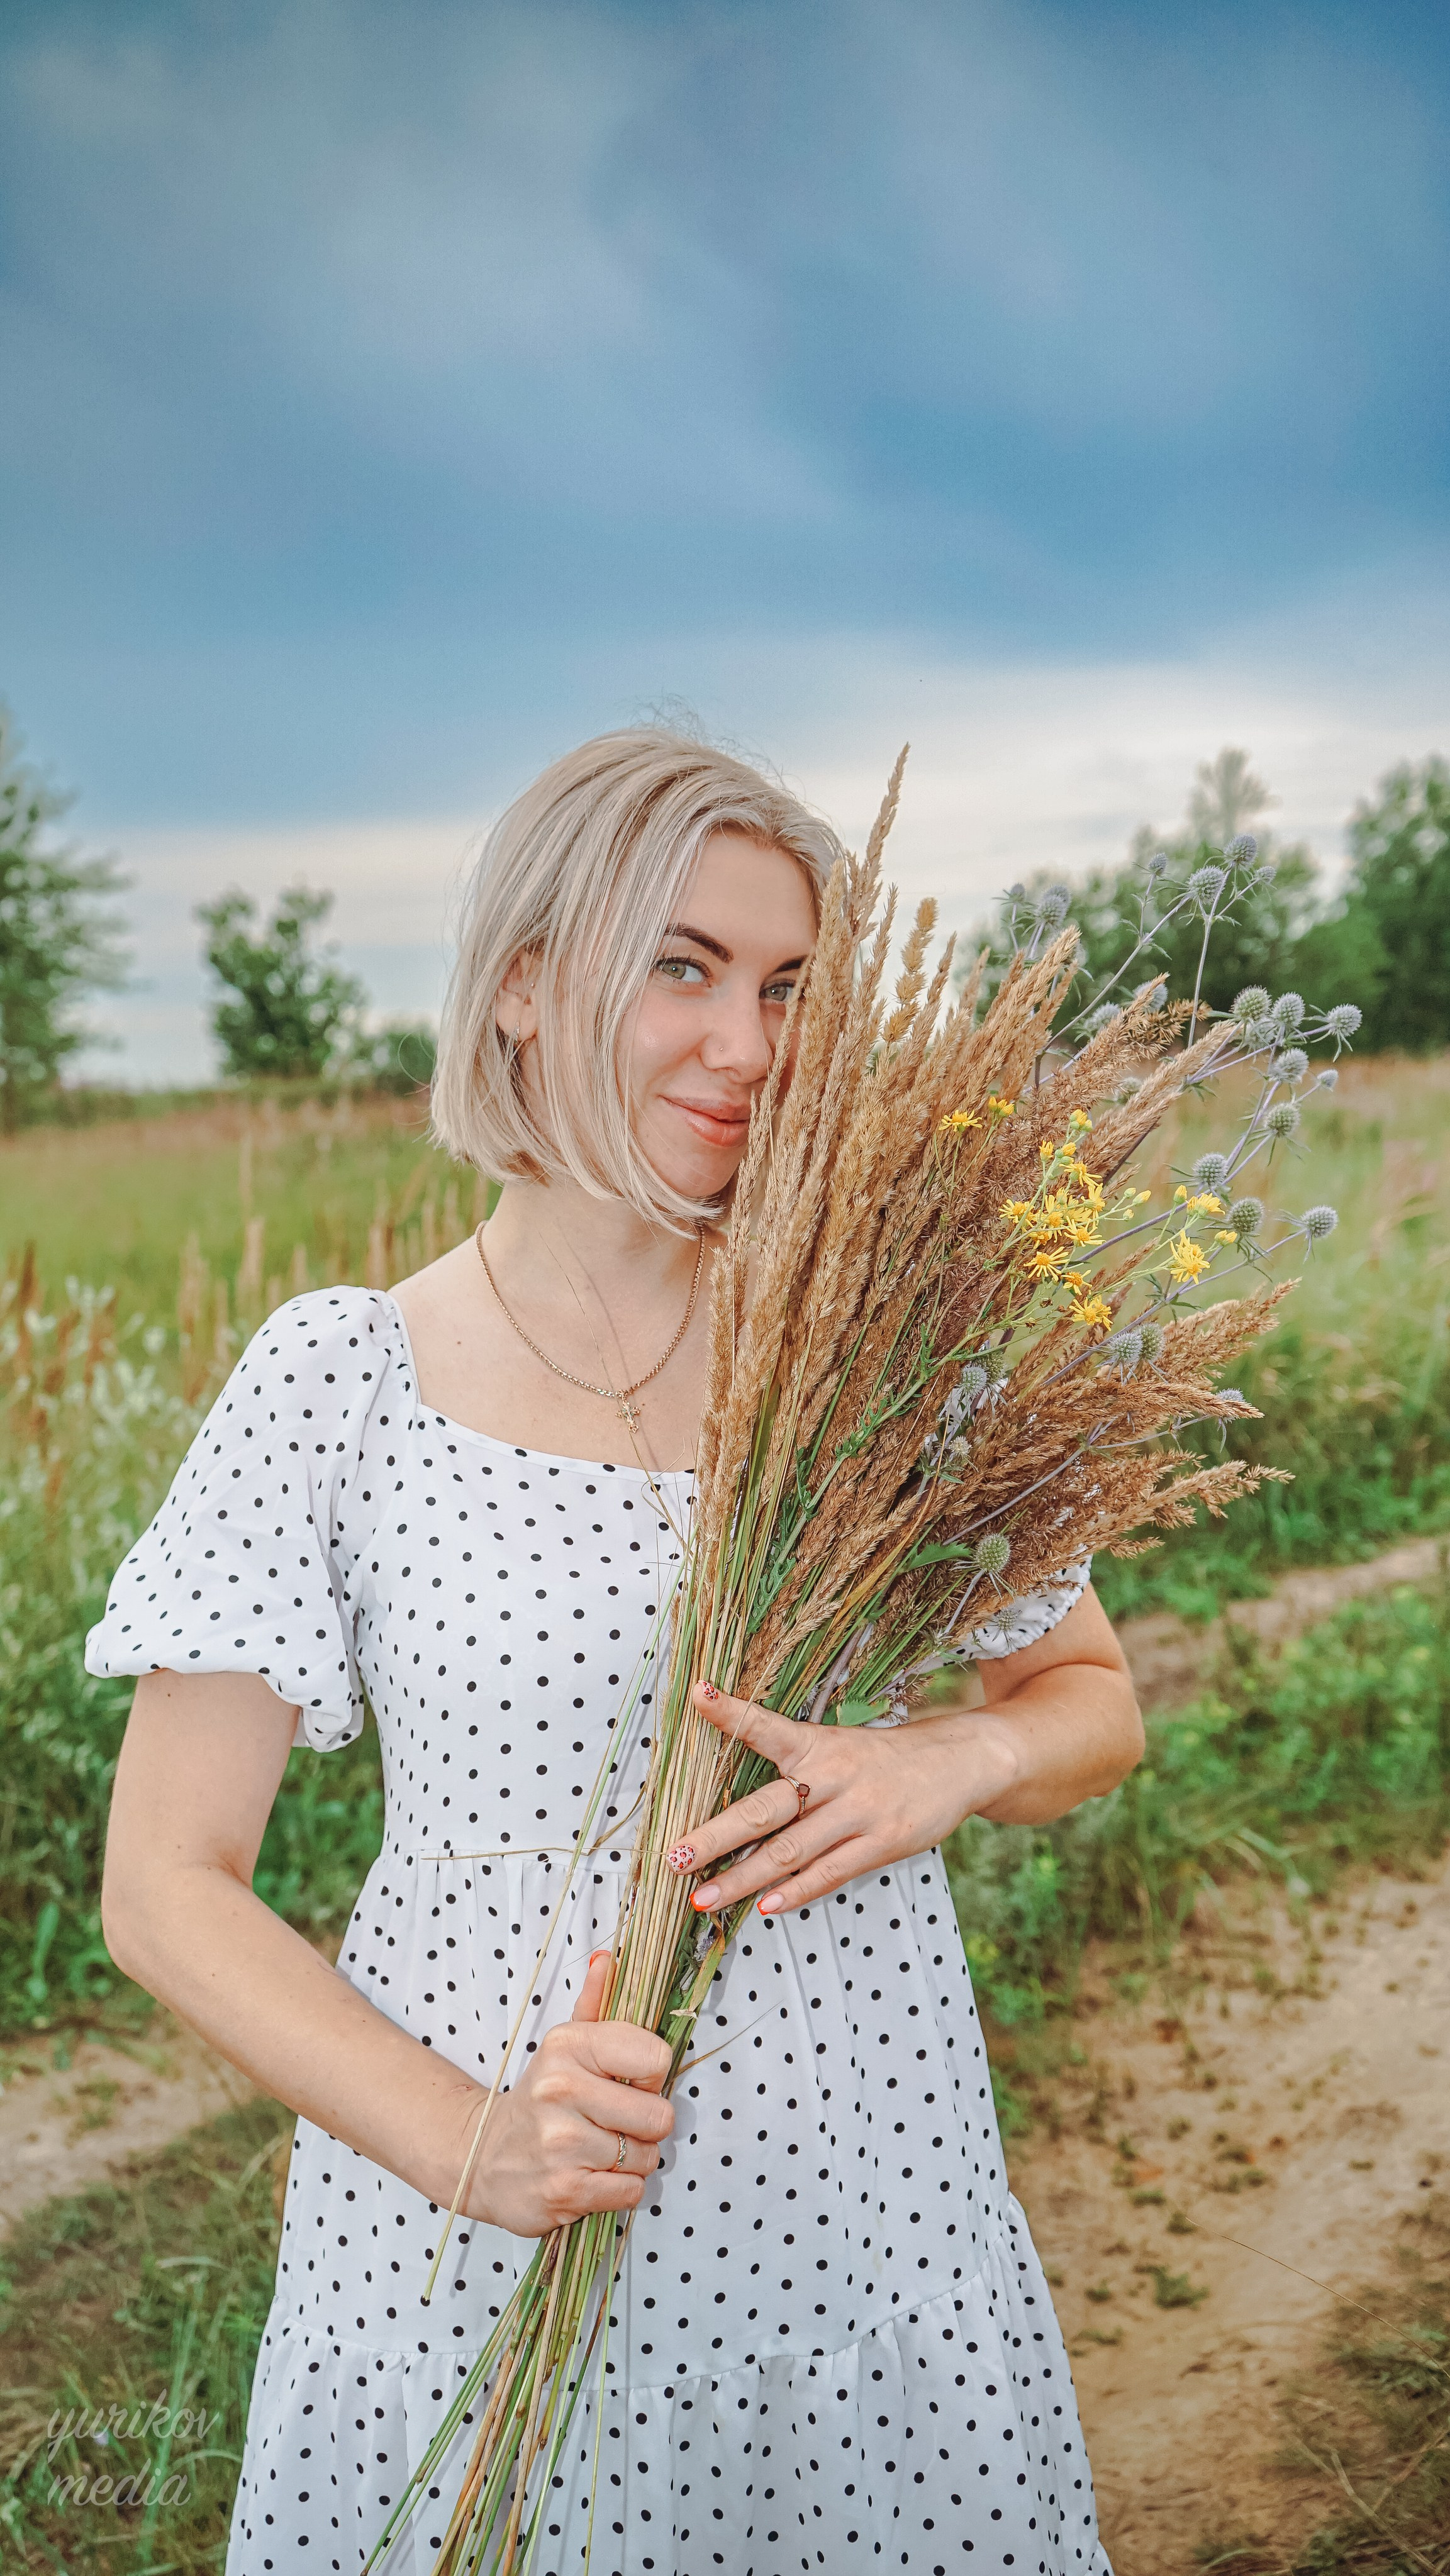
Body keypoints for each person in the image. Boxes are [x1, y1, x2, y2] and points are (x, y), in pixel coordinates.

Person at [92, 728, 1139, 2576]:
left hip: (859, 2184)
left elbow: (1087, 1705)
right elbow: (165, 1885)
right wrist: (466, 2140)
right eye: (683, 967)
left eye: (789, 986)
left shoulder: (883, 1354)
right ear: (520, 985)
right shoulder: (345, 1378)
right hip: (488, 2206)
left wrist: (941, 1764)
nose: (746, 1044)